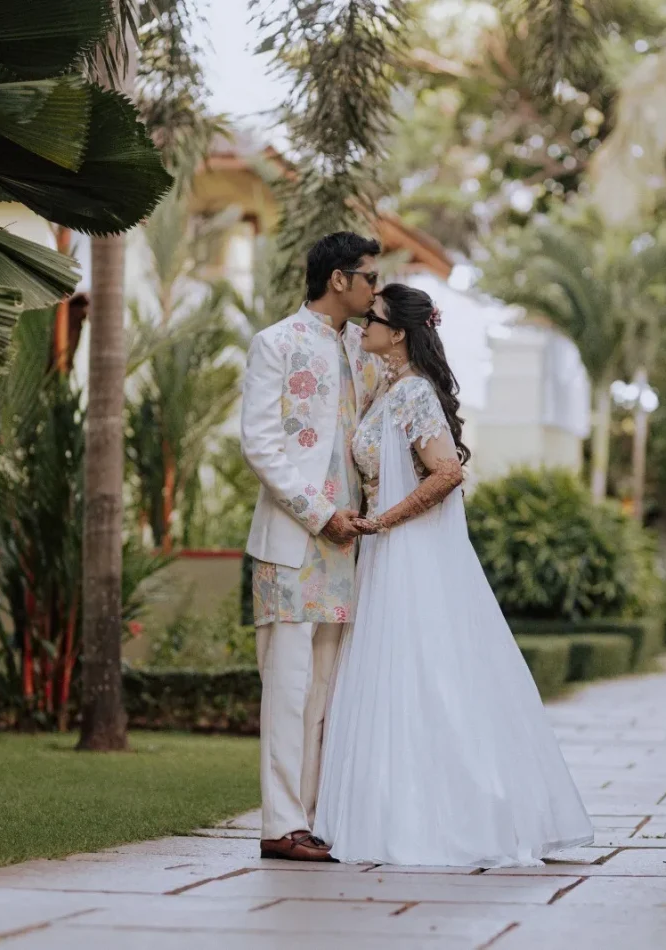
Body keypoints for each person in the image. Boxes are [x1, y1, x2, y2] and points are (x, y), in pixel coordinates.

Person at [313, 283, 594, 867]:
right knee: (398, 677)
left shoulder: (414, 393)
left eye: (375, 318)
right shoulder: (388, 391)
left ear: (399, 334)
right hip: (385, 553)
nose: (365, 325)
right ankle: (394, 807)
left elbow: (446, 474)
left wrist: (383, 520)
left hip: (411, 552)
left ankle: (457, 813)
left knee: (428, 673)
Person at [240, 231, 384, 862]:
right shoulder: (277, 343)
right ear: (338, 280)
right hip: (293, 541)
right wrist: (321, 513)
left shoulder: (363, 349)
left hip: (347, 546)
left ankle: (312, 818)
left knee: (325, 689)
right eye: (369, 279)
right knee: (289, 686)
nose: (375, 290)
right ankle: (279, 824)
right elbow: (261, 445)